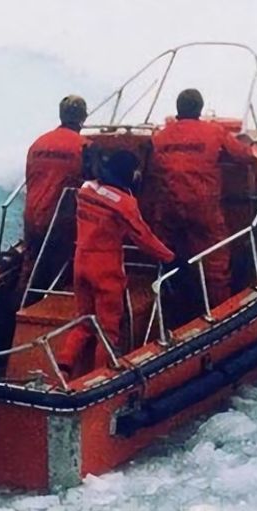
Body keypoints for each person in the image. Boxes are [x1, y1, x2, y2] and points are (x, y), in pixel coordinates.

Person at [62, 150, 174, 378]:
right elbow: (144, 238)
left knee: (83, 322)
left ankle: (63, 370)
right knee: (108, 329)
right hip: (105, 268)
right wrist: (170, 257)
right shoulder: (125, 203)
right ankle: (100, 378)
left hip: (80, 262)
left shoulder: (86, 189)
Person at [147, 89, 254, 311]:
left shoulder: (160, 137)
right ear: (200, 109)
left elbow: (153, 168)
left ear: (178, 110)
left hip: (169, 211)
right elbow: (243, 156)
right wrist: (248, 144)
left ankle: (171, 304)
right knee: (215, 263)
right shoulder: (213, 132)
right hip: (203, 209)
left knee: (169, 256)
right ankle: (220, 313)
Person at [25, 95, 91, 279]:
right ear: (83, 117)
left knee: (30, 268)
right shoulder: (85, 146)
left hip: (32, 215)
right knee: (61, 271)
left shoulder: (38, 143)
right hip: (62, 220)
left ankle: (18, 303)